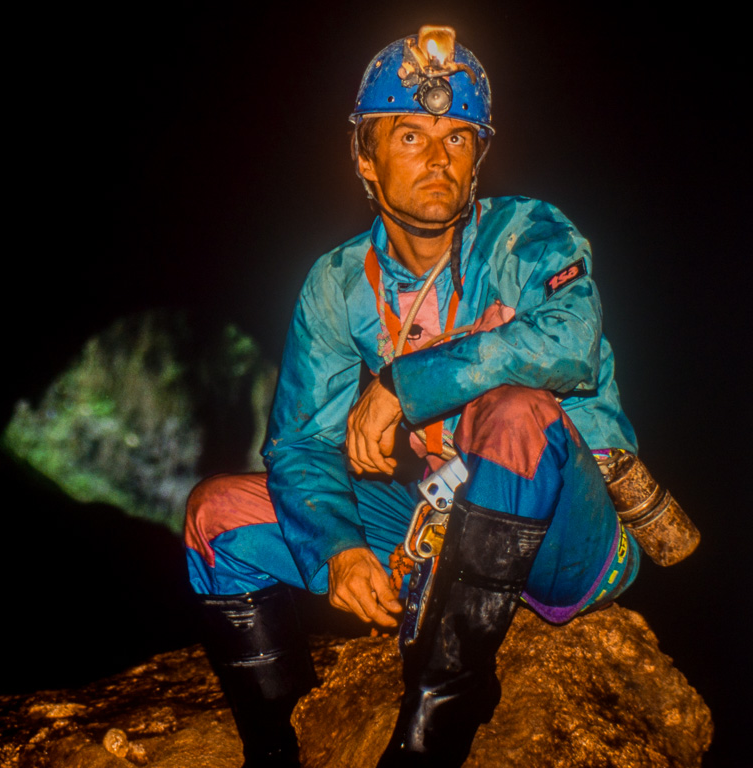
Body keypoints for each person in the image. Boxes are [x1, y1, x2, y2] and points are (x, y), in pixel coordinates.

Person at [185, 26, 642, 768]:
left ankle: (432, 734)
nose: (439, 158)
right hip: (442, 522)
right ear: (363, 157)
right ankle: (275, 746)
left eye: (460, 139)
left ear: (479, 157)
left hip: (564, 530)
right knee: (216, 514)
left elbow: (569, 341)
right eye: (409, 136)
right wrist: (337, 551)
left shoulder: (528, 233)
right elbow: (301, 445)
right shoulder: (337, 283)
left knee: (516, 412)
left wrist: (404, 383)